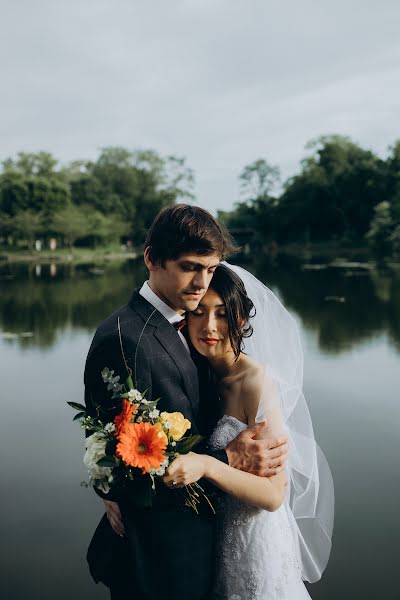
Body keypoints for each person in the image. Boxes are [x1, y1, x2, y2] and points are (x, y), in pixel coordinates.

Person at [83, 205, 289, 600]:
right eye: (190, 266)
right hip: (162, 559)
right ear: (151, 259)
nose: (201, 282)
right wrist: (226, 460)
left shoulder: (192, 328)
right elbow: (128, 460)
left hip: (208, 545)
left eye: (210, 269)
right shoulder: (124, 340)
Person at [163, 263, 334, 599]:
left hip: (254, 541)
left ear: (241, 320)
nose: (209, 326)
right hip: (217, 538)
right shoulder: (201, 372)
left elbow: (273, 496)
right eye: (199, 313)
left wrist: (209, 465)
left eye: (223, 314)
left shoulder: (256, 383)